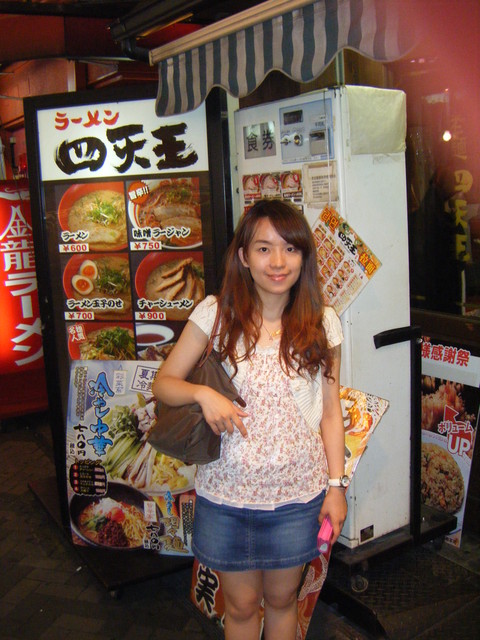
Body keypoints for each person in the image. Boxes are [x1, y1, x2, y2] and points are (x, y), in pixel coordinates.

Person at [153, 199, 347, 640]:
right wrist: (202, 394)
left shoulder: (322, 322)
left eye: (290, 249)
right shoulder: (215, 313)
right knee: (240, 607)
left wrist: (336, 488)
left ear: (303, 256)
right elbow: (164, 384)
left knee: (282, 601)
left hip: (297, 495)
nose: (278, 262)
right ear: (243, 256)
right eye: (263, 249)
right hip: (226, 495)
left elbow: (331, 414)